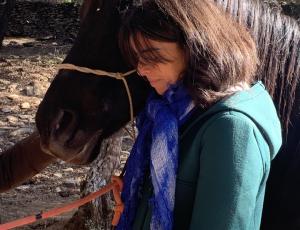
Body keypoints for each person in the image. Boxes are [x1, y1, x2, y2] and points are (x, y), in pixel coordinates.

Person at [116, 1, 282, 229]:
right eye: (137, 58)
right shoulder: (173, 114)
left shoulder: (231, 130)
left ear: (194, 47)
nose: (141, 70)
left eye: (151, 56)